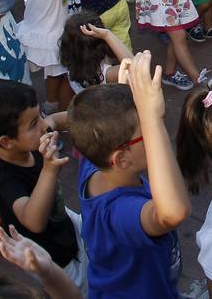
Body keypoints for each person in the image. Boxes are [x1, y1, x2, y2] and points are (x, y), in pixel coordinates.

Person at [69, 54, 193, 299]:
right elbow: (172, 213)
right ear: (122, 158)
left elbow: (90, 117)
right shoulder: (120, 212)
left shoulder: (94, 164)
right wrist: (152, 119)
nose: (157, 134)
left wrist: (126, 90)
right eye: (147, 131)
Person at [0, 79, 87, 290]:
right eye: (34, 123)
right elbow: (33, 221)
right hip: (54, 258)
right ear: (7, 141)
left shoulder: (31, 138)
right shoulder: (3, 177)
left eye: (40, 114)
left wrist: (94, 113)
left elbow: (57, 120)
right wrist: (49, 170)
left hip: (66, 223)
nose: (43, 125)